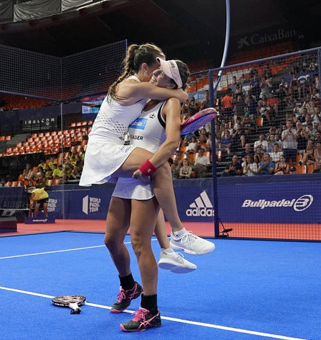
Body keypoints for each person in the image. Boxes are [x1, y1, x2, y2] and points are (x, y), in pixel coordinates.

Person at [78, 44, 212, 256]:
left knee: (152, 180)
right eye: (157, 68)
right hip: (104, 149)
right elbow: (182, 95)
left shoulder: (139, 90)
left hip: (110, 147)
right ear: (144, 68)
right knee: (160, 167)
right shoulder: (134, 87)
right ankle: (178, 232)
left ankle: (167, 250)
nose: (158, 73)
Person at [104, 59, 198, 332]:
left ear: (173, 82)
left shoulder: (171, 103)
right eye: (156, 69)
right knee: (111, 239)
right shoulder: (143, 100)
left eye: (163, 72)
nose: (156, 72)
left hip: (146, 178)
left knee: (139, 243)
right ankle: (129, 286)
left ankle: (150, 310)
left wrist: (150, 165)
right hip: (125, 176)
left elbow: (171, 142)